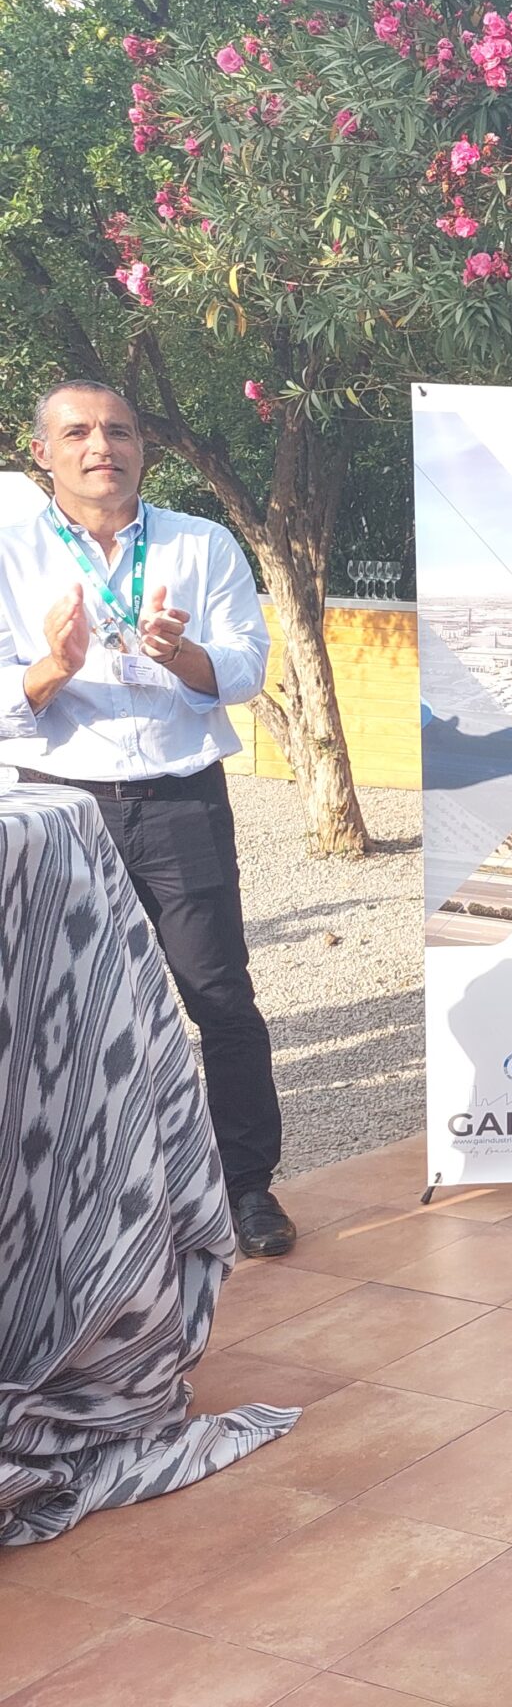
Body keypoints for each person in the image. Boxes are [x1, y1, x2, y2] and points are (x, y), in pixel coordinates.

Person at [0, 380, 294, 1257]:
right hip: (62, 808)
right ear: (41, 452)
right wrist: (53, 667)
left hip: (179, 802)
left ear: (143, 449)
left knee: (220, 997)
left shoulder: (200, 544)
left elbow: (245, 668)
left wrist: (183, 654)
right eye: (78, 432)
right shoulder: (11, 551)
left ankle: (247, 1188)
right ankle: (86, 1209)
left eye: (119, 430)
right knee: (69, 1012)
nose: (102, 446)